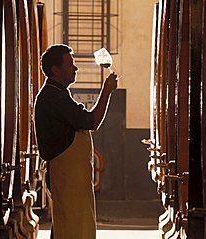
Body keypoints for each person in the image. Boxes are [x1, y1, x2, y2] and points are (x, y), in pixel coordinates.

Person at [34, 44, 118, 239]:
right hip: (67, 174)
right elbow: (91, 121)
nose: (76, 68)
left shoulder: (58, 94)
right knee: (72, 227)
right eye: (70, 64)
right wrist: (106, 91)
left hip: (71, 175)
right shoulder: (54, 96)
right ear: (55, 70)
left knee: (70, 224)